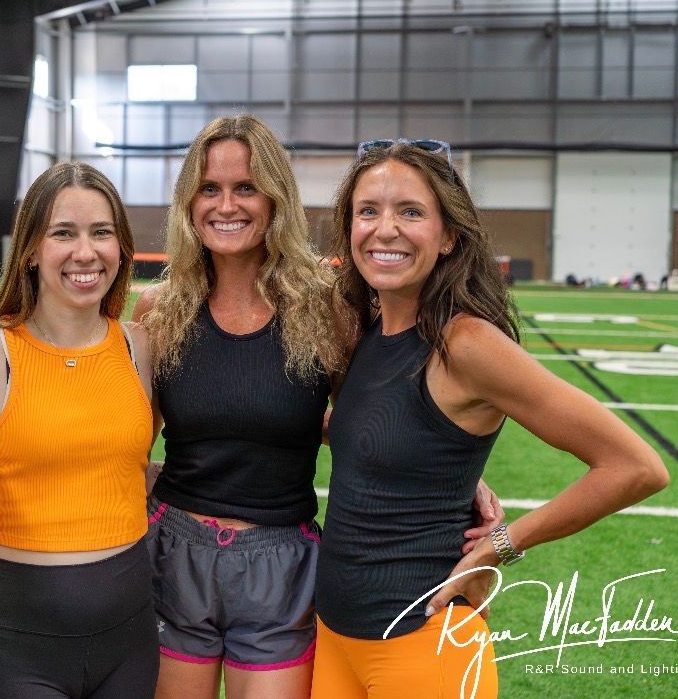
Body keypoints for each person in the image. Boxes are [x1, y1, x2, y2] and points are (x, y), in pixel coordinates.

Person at [133, 116, 503, 699]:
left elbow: (373, 417)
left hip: (282, 564)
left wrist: (461, 481)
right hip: (175, 555)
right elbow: (129, 442)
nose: (226, 205)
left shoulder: (327, 309)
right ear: (188, 201)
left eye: (246, 187)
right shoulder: (158, 310)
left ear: (276, 197)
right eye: (210, 188)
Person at [312, 139, 671, 698]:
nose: (385, 229)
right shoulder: (369, 328)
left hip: (424, 643)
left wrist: (498, 546)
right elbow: (378, 432)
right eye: (368, 211)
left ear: (449, 235)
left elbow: (636, 467)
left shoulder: (468, 342)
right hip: (334, 635)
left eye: (411, 211)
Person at [0, 162, 158, 699]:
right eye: (63, 232)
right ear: (32, 249)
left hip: (130, 641)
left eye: (101, 232)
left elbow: (130, 467)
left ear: (121, 247)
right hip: (15, 645)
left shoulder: (143, 348)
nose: (85, 252)